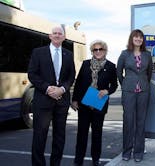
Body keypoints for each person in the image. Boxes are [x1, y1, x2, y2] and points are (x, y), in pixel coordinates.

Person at [28, 26, 76, 166]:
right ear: (49, 36)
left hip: (61, 101)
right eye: (54, 33)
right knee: (39, 136)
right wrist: (48, 89)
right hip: (43, 100)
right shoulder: (38, 52)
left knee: (59, 137)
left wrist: (62, 89)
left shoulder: (68, 54)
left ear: (63, 37)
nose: (56, 35)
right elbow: (32, 74)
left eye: (59, 33)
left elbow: (71, 76)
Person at [71, 40, 118, 166]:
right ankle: (78, 160)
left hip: (99, 103)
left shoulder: (111, 66)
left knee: (97, 134)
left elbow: (114, 85)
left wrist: (107, 91)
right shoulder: (86, 64)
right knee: (82, 133)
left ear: (105, 51)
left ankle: (95, 159)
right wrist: (74, 100)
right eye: (95, 50)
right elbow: (79, 82)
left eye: (100, 49)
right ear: (92, 51)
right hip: (84, 103)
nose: (98, 52)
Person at [117, 29, 152, 162]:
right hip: (128, 92)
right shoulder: (125, 54)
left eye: (140, 37)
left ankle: (138, 152)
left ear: (143, 40)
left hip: (144, 91)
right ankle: (126, 151)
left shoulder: (147, 55)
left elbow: (148, 73)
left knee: (141, 122)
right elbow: (119, 71)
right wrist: (126, 84)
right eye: (136, 37)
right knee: (128, 122)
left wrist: (143, 84)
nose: (138, 39)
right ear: (132, 39)